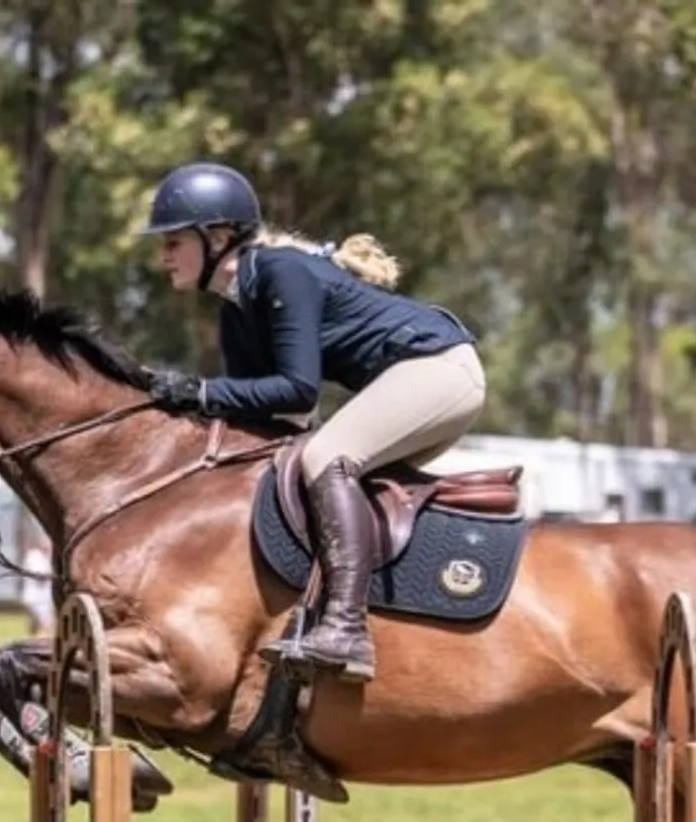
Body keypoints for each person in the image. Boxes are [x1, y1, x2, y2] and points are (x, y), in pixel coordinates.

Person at [136, 161, 486, 684]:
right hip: (413, 379)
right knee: (297, 467)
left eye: (173, 241)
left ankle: (346, 629)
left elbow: (298, 389)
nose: (163, 255)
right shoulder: (235, 310)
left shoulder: (281, 272)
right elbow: (279, 418)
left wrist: (199, 392)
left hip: (439, 369)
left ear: (217, 238)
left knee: (327, 457)